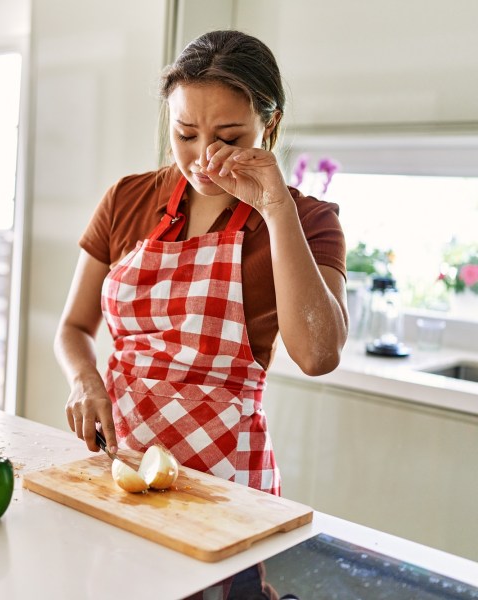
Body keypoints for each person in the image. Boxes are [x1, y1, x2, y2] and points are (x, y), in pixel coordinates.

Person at [54, 30, 348, 496]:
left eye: (228, 137)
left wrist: (275, 208)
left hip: (227, 483)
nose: (203, 158)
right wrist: (85, 380)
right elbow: (72, 327)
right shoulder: (127, 199)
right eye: (185, 134)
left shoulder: (308, 221)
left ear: (268, 126)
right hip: (118, 464)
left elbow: (318, 356)